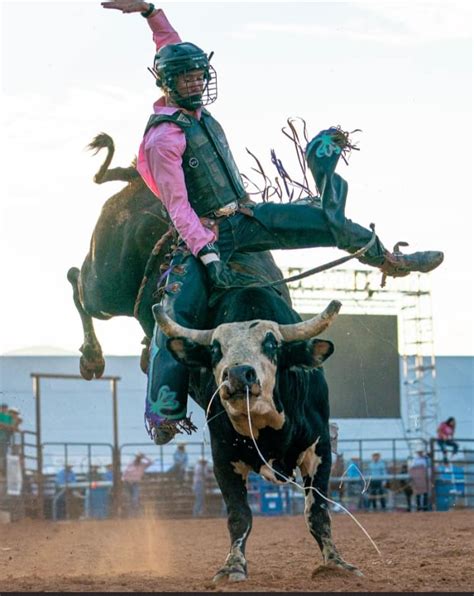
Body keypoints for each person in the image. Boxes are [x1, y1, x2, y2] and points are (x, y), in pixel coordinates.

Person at [101, 1, 444, 445]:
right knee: (174, 316)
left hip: (245, 214)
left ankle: (389, 260)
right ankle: (165, 409)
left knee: (326, 218)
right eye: (187, 77)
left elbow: (171, 45)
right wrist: (206, 255)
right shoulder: (162, 139)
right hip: (205, 235)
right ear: (168, 83)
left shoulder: (190, 107)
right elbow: (179, 207)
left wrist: (151, 12)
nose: (197, 82)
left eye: (200, 75)